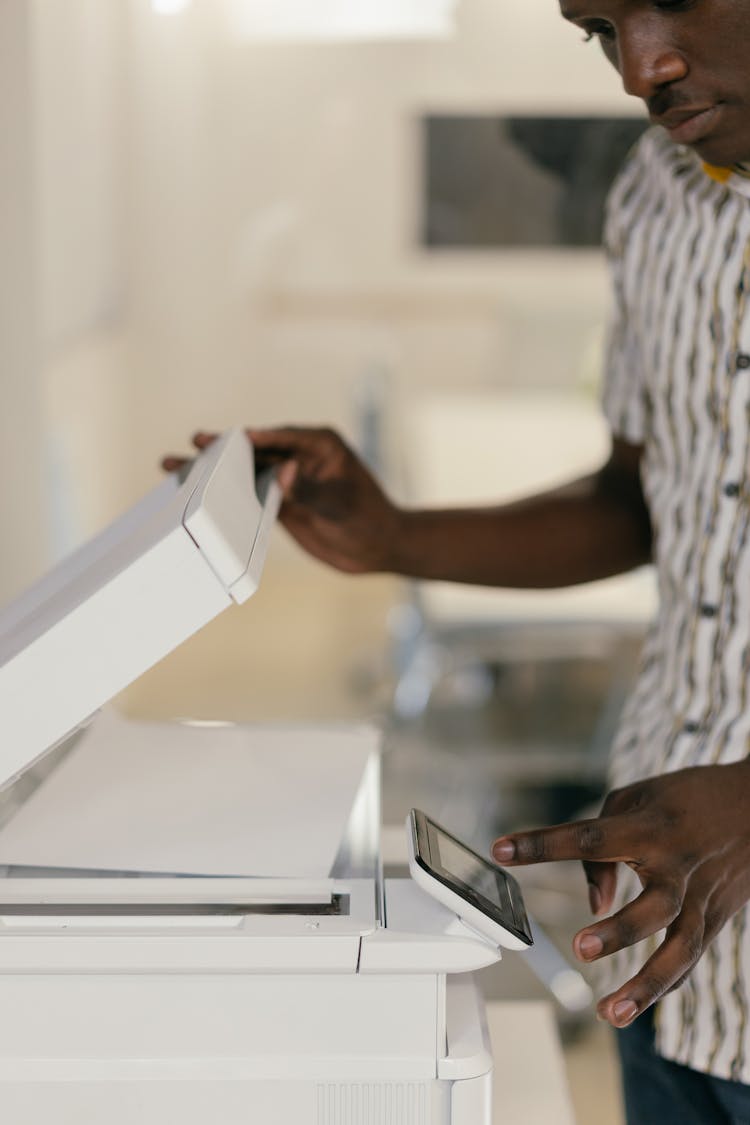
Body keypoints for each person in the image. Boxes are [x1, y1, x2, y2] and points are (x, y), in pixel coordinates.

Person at [164, 2, 750, 1120]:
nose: (641, 68)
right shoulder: (656, 197)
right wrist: (399, 539)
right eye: (598, 29)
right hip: (665, 953)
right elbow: (642, 499)